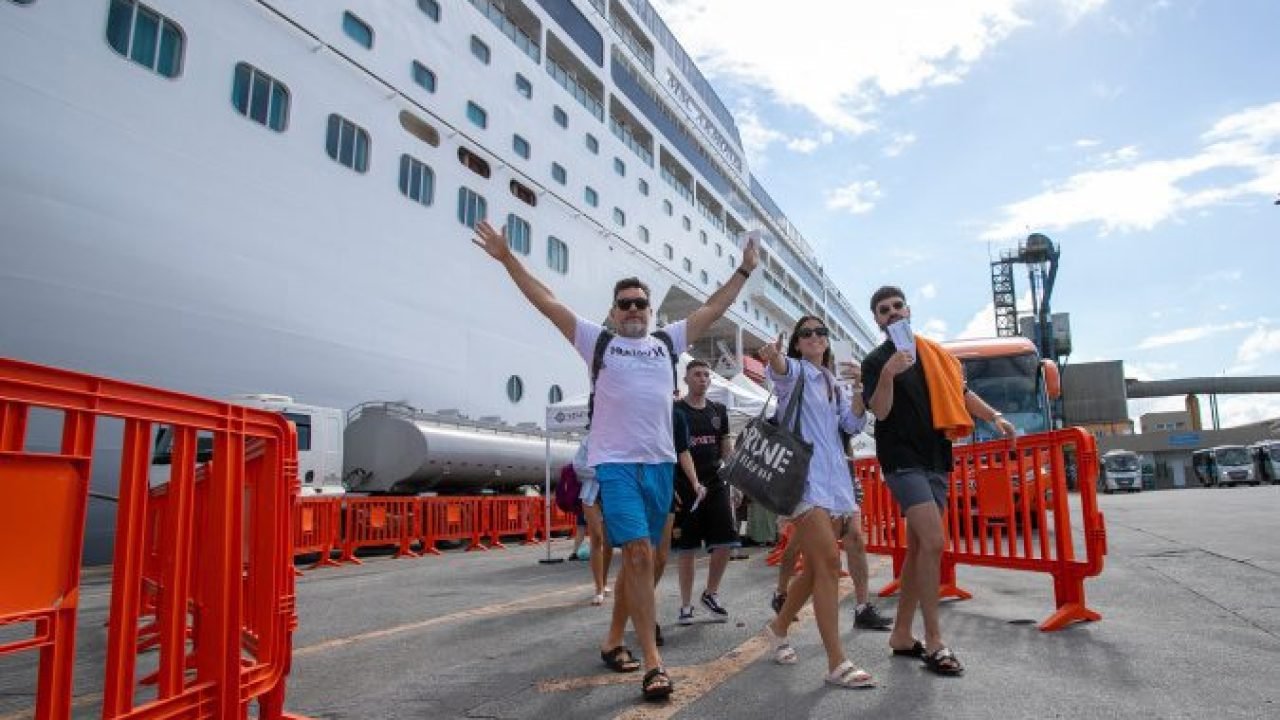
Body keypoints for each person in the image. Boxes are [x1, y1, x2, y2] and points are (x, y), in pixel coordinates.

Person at [472, 220, 758, 701]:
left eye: (640, 303)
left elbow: (713, 307)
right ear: (612, 311)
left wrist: (744, 271)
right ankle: (653, 663)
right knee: (639, 555)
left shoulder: (667, 343)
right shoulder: (597, 341)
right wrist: (507, 259)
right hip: (616, 466)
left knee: (653, 560)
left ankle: (612, 639)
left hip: (660, 467)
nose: (632, 310)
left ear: (650, 310)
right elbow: (547, 301)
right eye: (624, 304)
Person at [860, 286, 1016, 677]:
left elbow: (962, 393)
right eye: (884, 310)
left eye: (897, 306)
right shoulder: (876, 361)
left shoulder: (936, 355)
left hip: (935, 458)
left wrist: (994, 417)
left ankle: (901, 634)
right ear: (877, 319)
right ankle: (934, 640)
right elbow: (880, 411)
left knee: (918, 549)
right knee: (933, 542)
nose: (892, 313)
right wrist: (889, 373)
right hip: (901, 461)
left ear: (908, 310)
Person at [760, 315, 876, 690]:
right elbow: (780, 371)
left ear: (827, 341)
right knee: (828, 563)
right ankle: (836, 661)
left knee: (814, 570)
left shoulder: (833, 380)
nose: (815, 337)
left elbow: (852, 425)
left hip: (835, 481)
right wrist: (774, 357)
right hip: (803, 479)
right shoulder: (795, 371)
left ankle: (778, 629)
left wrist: (859, 389)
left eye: (821, 332)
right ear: (797, 343)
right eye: (806, 333)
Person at [672, 360, 737, 625]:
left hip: (715, 482)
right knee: (687, 548)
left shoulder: (718, 410)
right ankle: (686, 605)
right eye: (697, 374)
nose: (702, 379)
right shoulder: (676, 410)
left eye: (706, 375)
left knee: (726, 541)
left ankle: (711, 593)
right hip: (685, 486)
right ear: (686, 379)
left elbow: (726, 448)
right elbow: (673, 450)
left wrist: (735, 482)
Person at [574, 436, 613, 606]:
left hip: (613, 494)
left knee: (609, 542)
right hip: (591, 494)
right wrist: (601, 472)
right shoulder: (588, 440)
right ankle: (598, 589)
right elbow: (578, 466)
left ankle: (603, 582)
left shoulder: (619, 437)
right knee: (596, 538)